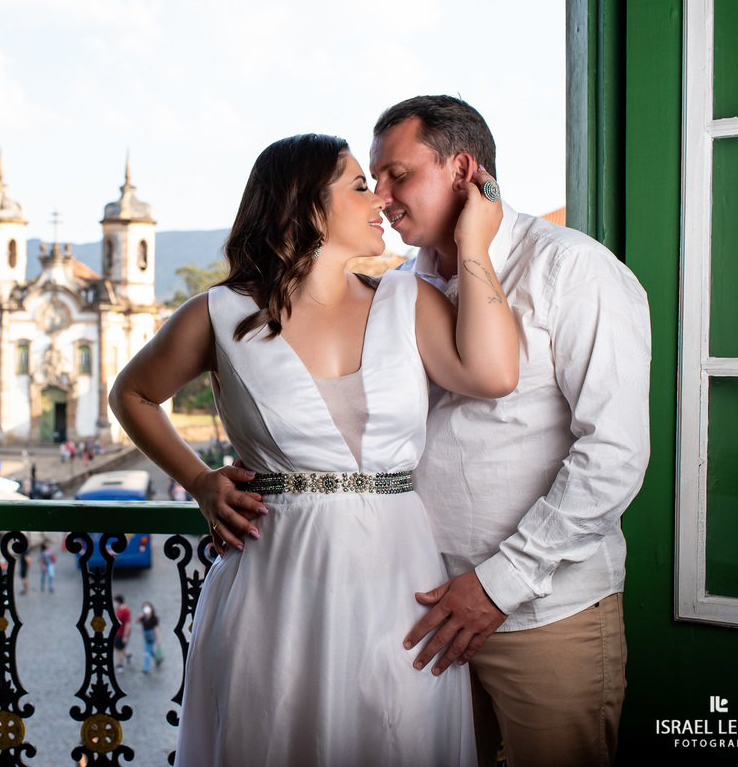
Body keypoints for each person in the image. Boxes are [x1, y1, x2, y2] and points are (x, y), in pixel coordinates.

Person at [110, 132, 517, 766]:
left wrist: (474, 246)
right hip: (277, 583)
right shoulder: (217, 315)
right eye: (359, 185)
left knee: (398, 736)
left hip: (400, 583)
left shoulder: (409, 301)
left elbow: (495, 375)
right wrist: (199, 482)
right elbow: (131, 394)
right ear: (306, 207)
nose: (380, 196)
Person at [368, 95, 651, 767]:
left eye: (397, 174)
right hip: (423, 611)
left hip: (547, 616)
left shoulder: (574, 270)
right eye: (374, 179)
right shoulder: (399, 289)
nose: (379, 197)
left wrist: (496, 584)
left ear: (464, 169)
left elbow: (614, 452)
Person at [137, 601, 162, 674]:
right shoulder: (143, 617)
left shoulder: (154, 618)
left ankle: (146, 669)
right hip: (145, 634)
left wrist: (158, 638)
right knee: (150, 650)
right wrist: (139, 617)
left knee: (147, 651)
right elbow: (137, 622)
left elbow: (156, 628)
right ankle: (157, 659)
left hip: (151, 635)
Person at [113, 595, 132, 671]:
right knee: (117, 648)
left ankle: (120, 665)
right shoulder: (117, 609)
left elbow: (128, 624)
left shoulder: (126, 611)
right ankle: (127, 654)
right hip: (117, 633)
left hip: (122, 633)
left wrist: (125, 636)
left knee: (119, 649)